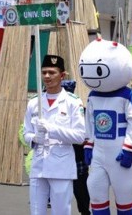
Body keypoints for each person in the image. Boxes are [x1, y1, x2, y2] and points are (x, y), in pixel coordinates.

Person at [79, 38, 132, 215]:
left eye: (98, 70)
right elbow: (89, 121)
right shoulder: (92, 96)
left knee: (124, 196)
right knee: (95, 192)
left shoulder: (127, 95)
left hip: (119, 153)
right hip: (98, 153)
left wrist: (128, 148)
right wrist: (88, 144)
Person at [23, 55, 85, 215]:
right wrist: (34, 138)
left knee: (61, 211)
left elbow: (79, 136)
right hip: (39, 164)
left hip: (61, 166)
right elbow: (26, 133)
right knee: (36, 211)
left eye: (52, 72)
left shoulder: (73, 102)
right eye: (44, 72)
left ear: (62, 75)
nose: (47, 76)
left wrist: (52, 128)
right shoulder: (34, 102)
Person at [61, 80, 91, 215]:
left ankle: (85, 211)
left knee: (81, 189)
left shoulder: (81, 110)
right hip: (63, 157)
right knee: (63, 191)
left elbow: (87, 135)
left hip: (77, 157)